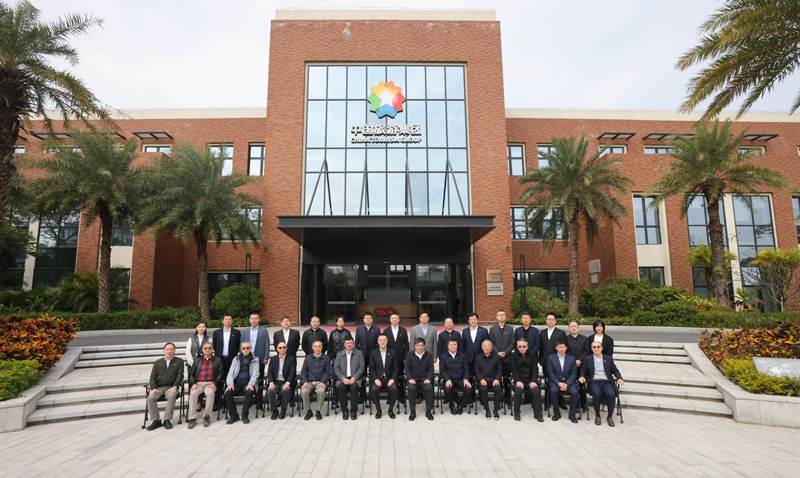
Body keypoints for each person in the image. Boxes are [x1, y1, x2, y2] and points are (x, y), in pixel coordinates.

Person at [579, 340, 624, 427]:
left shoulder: (608, 358)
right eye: (594, 347)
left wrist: (619, 378)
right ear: (591, 349)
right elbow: (583, 370)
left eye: (598, 347)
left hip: (607, 381)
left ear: (602, 348)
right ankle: (598, 415)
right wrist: (582, 376)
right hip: (594, 381)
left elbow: (615, 370)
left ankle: (609, 417)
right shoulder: (587, 359)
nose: (596, 348)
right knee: (597, 393)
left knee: (611, 394)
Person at [145, 342, 184, 431]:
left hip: (171, 387)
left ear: (174, 351)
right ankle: (156, 421)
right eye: (167, 349)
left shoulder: (179, 361)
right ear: (164, 351)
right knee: (150, 398)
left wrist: (175, 386)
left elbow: (180, 375)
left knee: (172, 396)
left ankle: (167, 420)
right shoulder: (157, 362)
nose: (169, 351)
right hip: (159, 388)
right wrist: (153, 388)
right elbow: (152, 377)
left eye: (172, 349)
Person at [187, 342, 224, 428]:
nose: (207, 350)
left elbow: (221, 373)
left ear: (212, 350)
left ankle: (207, 416)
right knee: (193, 393)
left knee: (210, 393)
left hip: (211, 383)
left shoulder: (217, 360)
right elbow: (191, 375)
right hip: (198, 384)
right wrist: (193, 384)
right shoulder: (197, 361)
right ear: (202, 350)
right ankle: (192, 418)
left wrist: (215, 383)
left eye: (209, 348)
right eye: (205, 348)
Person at [223, 340, 259, 425]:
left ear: (250, 349)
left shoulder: (255, 359)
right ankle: (234, 416)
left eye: (247, 348)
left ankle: (244, 416)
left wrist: (251, 384)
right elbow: (231, 372)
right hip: (237, 383)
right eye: (243, 348)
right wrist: (230, 384)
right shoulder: (236, 359)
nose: (245, 350)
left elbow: (256, 373)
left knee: (249, 392)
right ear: (241, 349)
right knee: (227, 393)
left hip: (248, 383)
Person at [509, 339, 543, 422]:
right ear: (517, 347)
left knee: (536, 391)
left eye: (524, 346)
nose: (522, 348)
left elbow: (535, 369)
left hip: (530, 380)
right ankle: (517, 412)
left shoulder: (532, 355)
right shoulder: (513, 356)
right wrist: (517, 381)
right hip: (519, 380)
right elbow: (513, 370)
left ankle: (537, 414)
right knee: (518, 391)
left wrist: (534, 381)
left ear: (527, 347)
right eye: (520, 346)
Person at [241, 313, 269, 411]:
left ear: (259, 320)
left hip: (260, 359)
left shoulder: (263, 331)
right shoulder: (244, 331)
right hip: (247, 359)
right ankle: (249, 400)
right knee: (248, 379)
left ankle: (259, 401)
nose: (254, 320)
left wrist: (266, 357)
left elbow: (266, 344)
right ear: (249, 320)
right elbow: (241, 345)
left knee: (259, 380)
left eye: (256, 318)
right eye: (252, 318)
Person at [333, 337, 365, 420]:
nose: (349, 345)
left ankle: (353, 410)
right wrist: (343, 378)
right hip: (343, 379)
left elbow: (362, 367)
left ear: (353, 344)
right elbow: (336, 368)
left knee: (354, 387)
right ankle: (344, 410)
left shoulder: (359, 353)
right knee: (341, 387)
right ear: (344, 345)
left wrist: (354, 378)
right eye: (347, 343)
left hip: (355, 378)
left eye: (351, 343)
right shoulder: (339, 354)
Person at [547, 341, 579, 423]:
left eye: (563, 347)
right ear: (556, 348)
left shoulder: (571, 358)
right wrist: (558, 383)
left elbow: (574, 373)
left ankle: (572, 414)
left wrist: (567, 384)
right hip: (556, 382)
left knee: (575, 392)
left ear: (566, 348)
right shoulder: (551, 358)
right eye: (559, 347)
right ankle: (556, 413)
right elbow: (550, 372)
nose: (561, 349)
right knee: (553, 391)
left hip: (569, 382)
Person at [439, 338, 472, 415]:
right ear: (448, 346)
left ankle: (461, 405)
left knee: (469, 388)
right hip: (449, 379)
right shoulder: (443, 357)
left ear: (457, 346)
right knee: (447, 388)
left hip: (461, 379)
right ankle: (452, 406)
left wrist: (466, 379)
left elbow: (466, 369)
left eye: (455, 344)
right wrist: (447, 379)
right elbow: (442, 371)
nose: (453, 346)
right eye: (451, 345)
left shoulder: (463, 356)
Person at [369, 334, 398, 419]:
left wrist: (393, 379)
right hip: (378, 379)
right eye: (380, 340)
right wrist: (375, 379)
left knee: (394, 388)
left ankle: (390, 410)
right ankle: (378, 410)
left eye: (384, 340)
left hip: (389, 379)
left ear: (387, 341)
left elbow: (396, 368)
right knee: (374, 389)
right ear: (378, 342)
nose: (382, 342)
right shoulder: (373, 353)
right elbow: (371, 369)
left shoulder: (393, 352)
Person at [489, 309, 515, 405]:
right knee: (497, 379)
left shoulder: (510, 328)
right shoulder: (492, 329)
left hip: (507, 358)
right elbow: (491, 343)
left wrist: (505, 352)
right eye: (499, 315)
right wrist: (497, 352)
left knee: (507, 380)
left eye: (503, 315)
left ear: (505, 317)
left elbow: (512, 343)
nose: (501, 316)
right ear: (496, 317)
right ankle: (498, 399)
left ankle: (508, 399)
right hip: (496, 358)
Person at [299, 340, 330, 421]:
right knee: (303, 391)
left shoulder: (326, 358)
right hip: (309, 382)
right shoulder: (308, 358)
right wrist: (305, 382)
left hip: (320, 382)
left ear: (322, 347)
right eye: (315, 346)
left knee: (321, 391)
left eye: (319, 346)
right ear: (312, 348)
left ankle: (318, 411)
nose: (317, 348)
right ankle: (308, 411)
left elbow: (327, 372)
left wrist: (323, 382)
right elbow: (303, 371)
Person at [405, 337, 434, 421]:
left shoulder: (429, 355)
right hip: (413, 379)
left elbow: (431, 369)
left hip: (424, 380)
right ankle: (412, 412)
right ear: (415, 346)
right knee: (411, 388)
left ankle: (428, 411)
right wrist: (410, 378)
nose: (420, 347)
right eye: (418, 345)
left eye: (421, 345)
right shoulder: (409, 355)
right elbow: (407, 369)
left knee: (429, 388)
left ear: (424, 346)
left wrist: (429, 378)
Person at [267, 340, 297, 420]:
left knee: (286, 391)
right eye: (280, 348)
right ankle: (274, 411)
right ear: (277, 349)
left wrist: (287, 383)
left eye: (284, 347)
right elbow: (269, 372)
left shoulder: (291, 359)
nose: (282, 349)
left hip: (285, 381)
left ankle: (283, 410)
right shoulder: (273, 359)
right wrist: (271, 383)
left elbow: (292, 372)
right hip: (276, 382)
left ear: (286, 348)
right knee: (270, 391)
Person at [566, 319, 589, 411]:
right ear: (569, 328)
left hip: (582, 366)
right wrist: (573, 361)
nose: (573, 328)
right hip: (570, 367)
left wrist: (580, 360)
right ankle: (575, 405)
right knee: (572, 385)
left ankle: (584, 404)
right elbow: (565, 351)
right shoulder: (566, 339)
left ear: (578, 328)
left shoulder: (584, 339)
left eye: (575, 326)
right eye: (571, 326)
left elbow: (587, 351)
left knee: (582, 385)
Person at [475, 339, 502, 419]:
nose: (487, 348)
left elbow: (499, 370)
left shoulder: (496, 357)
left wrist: (497, 379)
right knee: (483, 388)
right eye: (485, 346)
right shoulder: (478, 357)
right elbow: (477, 370)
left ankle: (496, 410)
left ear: (491, 347)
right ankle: (487, 409)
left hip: (494, 380)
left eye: (488, 346)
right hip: (483, 380)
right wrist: (481, 379)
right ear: (482, 347)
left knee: (498, 388)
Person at [213, 314, 241, 383]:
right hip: (219, 358)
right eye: (226, 319)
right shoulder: (217, 333)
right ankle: (220, 389)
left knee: (231, 376)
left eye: (229, 319)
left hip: (231, 358)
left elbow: (238, 346)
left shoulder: (237, 332)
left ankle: (229, 388)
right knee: (220, 376)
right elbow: (215, 345)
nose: (228, 321)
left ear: (232, 321)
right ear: (223, 321)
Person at [461, 312, 488, 376]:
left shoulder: (484, 331)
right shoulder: (465, 331)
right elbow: (463, 345)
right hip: (468, 359)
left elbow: (486, 345)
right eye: (471, 319)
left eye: (475, 319)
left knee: (480, 376)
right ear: (468, 321)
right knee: (469, 377)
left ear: (477, 320)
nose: (473, 321)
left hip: (481, 359)